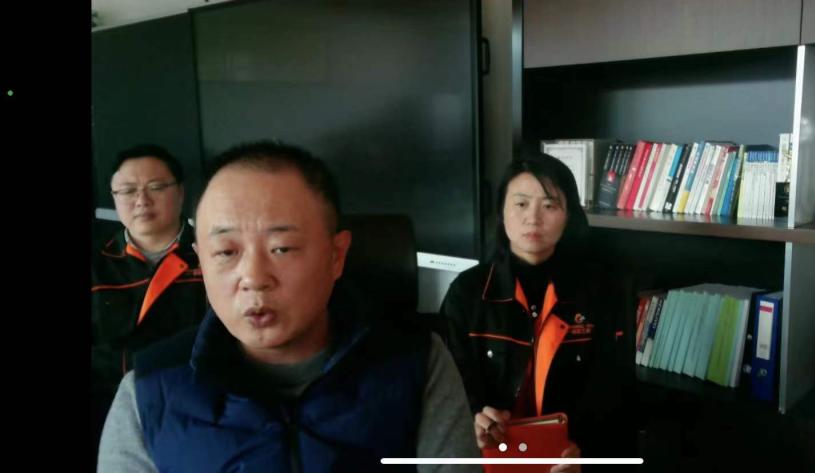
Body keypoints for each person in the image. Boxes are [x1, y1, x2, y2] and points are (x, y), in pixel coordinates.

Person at [98, 141, 479, 472]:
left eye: (281, 248)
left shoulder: (417, 363)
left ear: (336, 255)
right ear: (201, 260)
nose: (253, 277)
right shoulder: (146, 392)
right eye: (226, 252)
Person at [440, 152, 636, 473]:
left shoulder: (600, 293)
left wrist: (588, 455)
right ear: (502, 212)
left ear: (568, 216)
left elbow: (613, 394)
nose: (533, 218)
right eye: (520, 204)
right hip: (492, 458)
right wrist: (473, 419)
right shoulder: (468, 294)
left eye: (549, 205)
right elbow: (448, 390)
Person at [91, 145, 206, 458]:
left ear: (180, 192)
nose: (141, 200)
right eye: (128, 190)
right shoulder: (97, 263)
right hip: (106, 410)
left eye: (156, 187)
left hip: (193, 407)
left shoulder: (213, 255)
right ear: (114, 197)